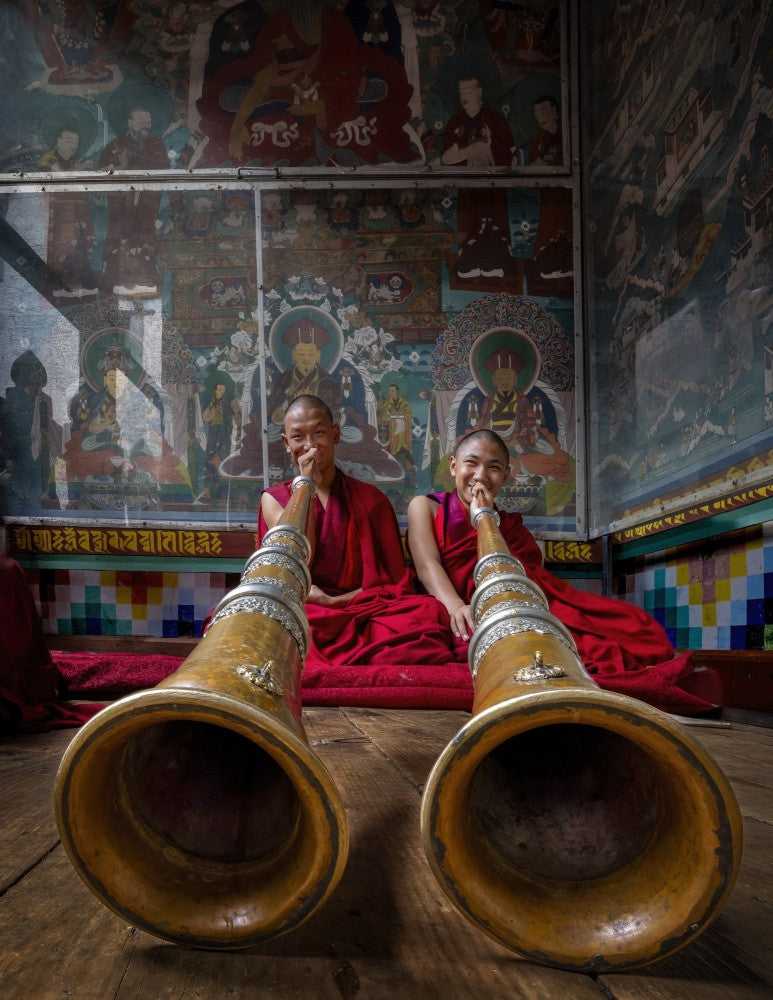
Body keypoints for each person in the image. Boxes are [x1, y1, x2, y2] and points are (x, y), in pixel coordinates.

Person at [407, 428, 718, 714]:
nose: (480, 476)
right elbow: (427, 564)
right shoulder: (426, 506)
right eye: (471, 464)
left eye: (494, 467)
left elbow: (527, 577)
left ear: (506, 475)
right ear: (453, 466)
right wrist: (456, 606)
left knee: (629, 626)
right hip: (453, 600)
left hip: (511, 600)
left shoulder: (509, 525)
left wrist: (486, 516)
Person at [257, 394, 461, 676]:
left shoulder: (371, 500)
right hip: (306, 608)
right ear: (286, 443)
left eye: (319, 433)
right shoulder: (275, 499)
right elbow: (297, 558)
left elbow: (393, 587)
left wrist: (335, 602)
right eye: (298, 437)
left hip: (360, 609)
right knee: (271, 623)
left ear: (336, 434)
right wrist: (305, 487)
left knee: (427, 613)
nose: (309, 445)